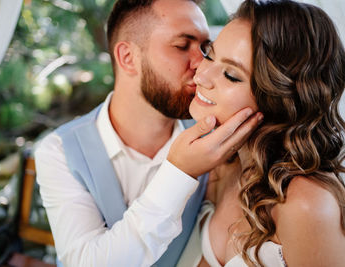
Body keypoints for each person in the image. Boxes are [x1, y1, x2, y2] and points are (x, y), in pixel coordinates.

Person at [34, 0, 261, 266]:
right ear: (128, 58)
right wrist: (180, 172)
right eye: (181, 46)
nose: (202, 65)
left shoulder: (219, 136)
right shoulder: (58, 151)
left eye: (205, 48)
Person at [170, 0, 345, 266]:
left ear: (280, 98)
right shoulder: (224, 167)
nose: (200, 75)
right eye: (210, 54)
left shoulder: (306, 204)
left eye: (230, 74)